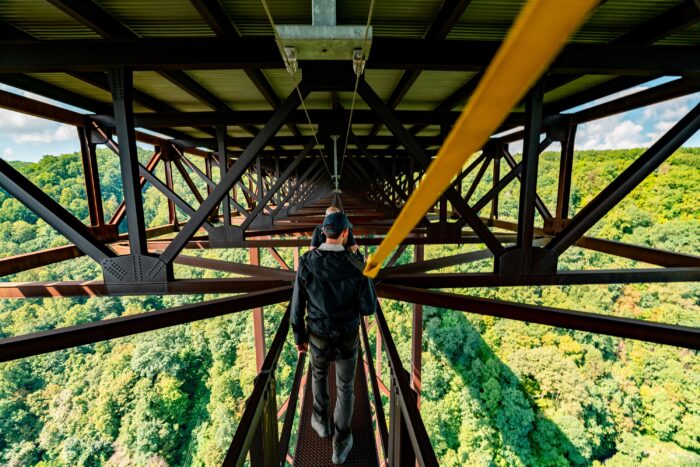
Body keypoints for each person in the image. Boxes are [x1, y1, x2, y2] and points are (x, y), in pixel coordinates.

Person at [291, 211, 377, 464]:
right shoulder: (356, 266)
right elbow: (368, 307)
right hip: (347, 336)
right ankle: (340, 444)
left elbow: (297, 305)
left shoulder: (307, 262)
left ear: (323, 232)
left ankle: (320, 423)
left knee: (318, 375)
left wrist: (299, 336)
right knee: (345, 387)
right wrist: (359, 259)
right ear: (346, 234)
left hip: (317, 335)